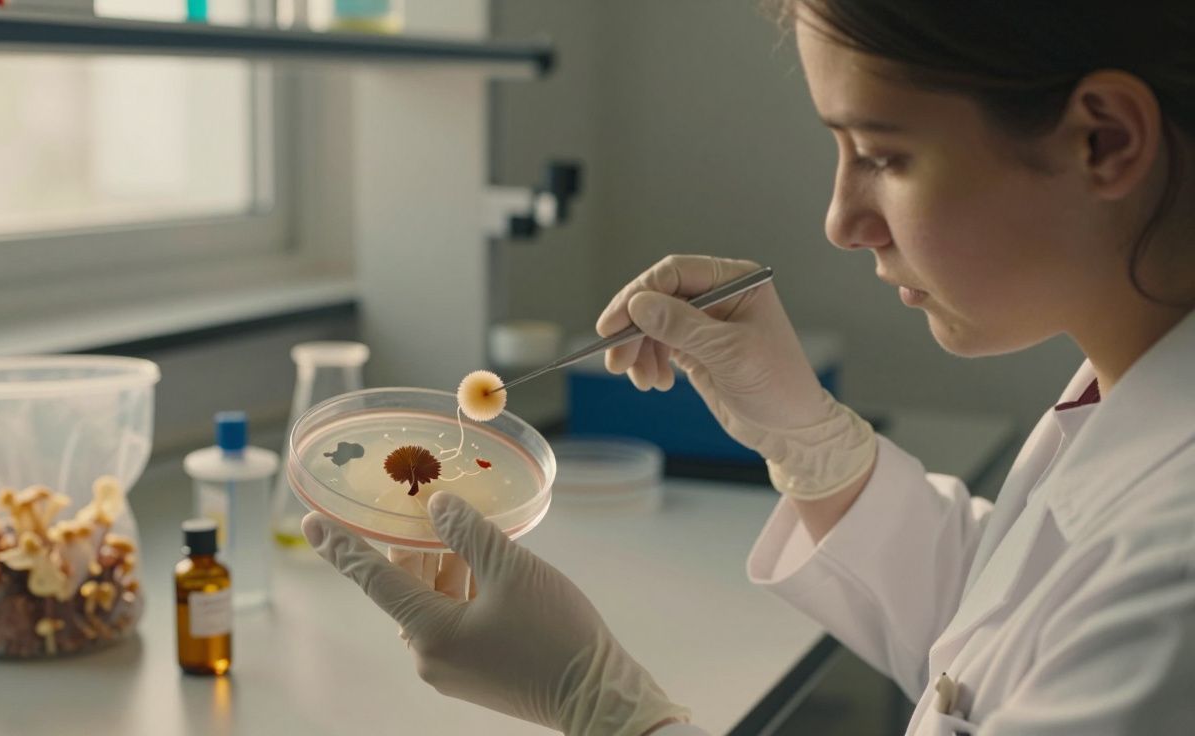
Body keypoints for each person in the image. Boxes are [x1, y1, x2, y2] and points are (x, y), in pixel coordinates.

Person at [302, 1, 1195, 733]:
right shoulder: (1122, 398)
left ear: (1104, 141)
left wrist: (603, 705)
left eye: (884, 155)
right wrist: (809, 440)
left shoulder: (1174, 581)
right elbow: (995, 630)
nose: (842, 221)